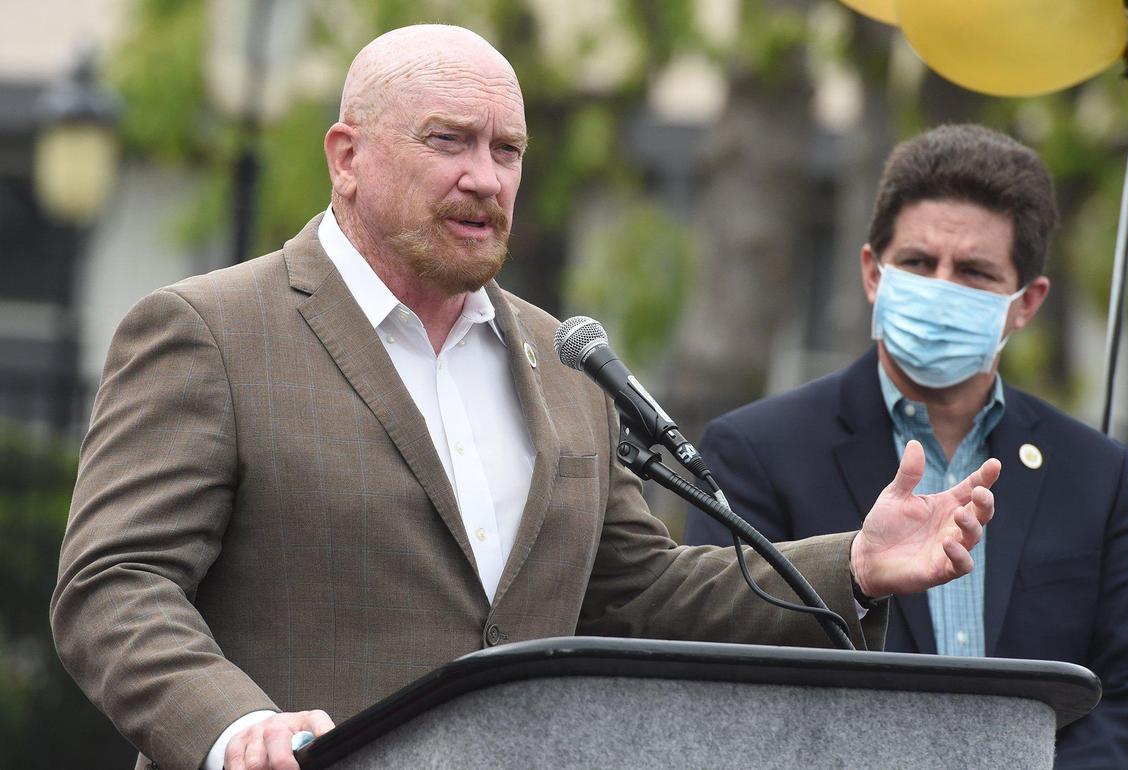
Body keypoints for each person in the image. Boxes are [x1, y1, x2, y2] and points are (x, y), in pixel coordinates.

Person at [52, 28, 1000, 770]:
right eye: (449, 142)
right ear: (347, 156)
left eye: (508, 149)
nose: (485, 176)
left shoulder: (561, 357)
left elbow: (640, 594)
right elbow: (114, 584)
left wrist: (858, 565)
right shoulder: (207, 331)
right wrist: (232, 726)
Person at [684, 124, 1128, 767]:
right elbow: (719, 683)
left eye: (976, 272)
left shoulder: (1099, 473)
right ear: (874, 272)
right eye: (919, 264)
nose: (942, 288)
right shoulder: (755, 452)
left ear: (1026, 302)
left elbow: (1126, 702)